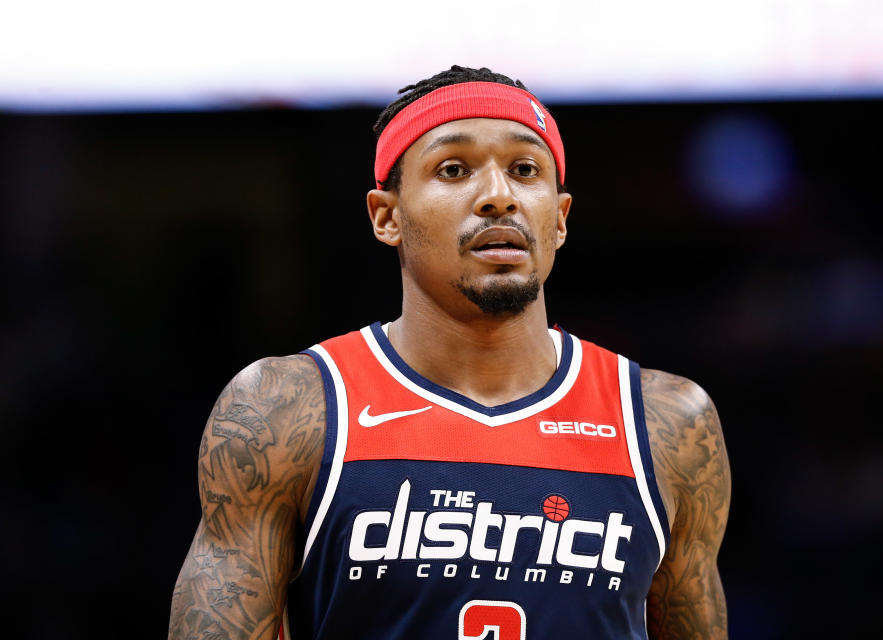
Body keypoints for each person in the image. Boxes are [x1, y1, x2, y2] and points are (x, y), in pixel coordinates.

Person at [168, 65, 731, 640]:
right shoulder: (284, 408)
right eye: (454, 169)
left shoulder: (667, 421)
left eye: (524, 170)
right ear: (387, 217)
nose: (497, 197)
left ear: (559, 219)